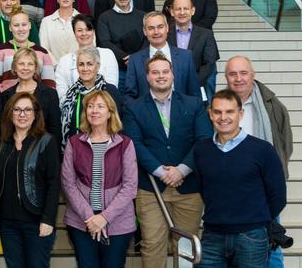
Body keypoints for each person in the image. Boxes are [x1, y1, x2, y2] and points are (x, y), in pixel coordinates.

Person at [123, 54, 213, 268]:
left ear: (173, 74)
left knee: (185, 248)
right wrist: (161, 172)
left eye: (165, 71)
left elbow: (203, 140)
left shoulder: (194, 104)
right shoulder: (134, 107)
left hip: (188, 188)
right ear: (147, 76)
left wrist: (181, 170)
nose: (160, 76)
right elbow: (134, 143)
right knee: (152, 244)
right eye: (155, 72)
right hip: (151, 188)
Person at [194, 89, 286, 268]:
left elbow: (278, 197)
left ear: (240, 113)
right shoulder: (200, 150)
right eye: (218, 112)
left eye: (230, 111)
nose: (223, 117)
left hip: (251, 237)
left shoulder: (263, 150)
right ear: (210, 114)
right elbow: (204, 189)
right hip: (213, 236)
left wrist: (254, 221)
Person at [225, 55, 293, 267]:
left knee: (272, 242)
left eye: (243, 73)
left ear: (253, 75)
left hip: (265, 186)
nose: (238, 79)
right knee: (235, 245)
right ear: (226, 77)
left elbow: (285, 143)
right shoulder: (219, 106)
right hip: (229, 188)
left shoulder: (273, 106)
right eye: (232, 74)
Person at [62, 90, 137, 268]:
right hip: (82, 222)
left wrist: (104, 217)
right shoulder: (74, 142)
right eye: (90, 106)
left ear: (110, 112)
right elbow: (68, 183)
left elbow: (130, 186)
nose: (94, 110)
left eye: (100, 106)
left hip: (118, 223)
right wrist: (91, 218)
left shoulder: (125, 144)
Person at [0, 92, 60, 268]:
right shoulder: (2, 142)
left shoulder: (46, 142)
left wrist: (48, 219)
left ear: (35, 114)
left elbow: (54, 183)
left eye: (27, 110)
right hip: (8, 223)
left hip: (36, 221)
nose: (22, 114)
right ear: (10, 113)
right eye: (17, 109)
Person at [124, 11, 199, 101]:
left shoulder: (186, 57)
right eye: (151, 28)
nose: (156, 32)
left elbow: (194, 93)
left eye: (160, 27)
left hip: (182, 112)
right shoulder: (135, 60)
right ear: (145, 31)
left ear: (167, 28)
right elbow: (130, 96)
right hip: (146, 113)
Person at [60, 47, 124, 146]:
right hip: (76, 150)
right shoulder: (71, 93)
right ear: (77, 67)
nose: (85, 69)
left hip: (105, 148)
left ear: (97, 66)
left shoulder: (110, 91)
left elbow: (118, 123)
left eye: (89, 64)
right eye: (81, 64)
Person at [0, 48, 62, 144]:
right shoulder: (6, 96)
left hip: (42, 150)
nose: (26, 68)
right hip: (14, 149)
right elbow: (4, 128)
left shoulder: (50, 94)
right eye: (21, 64)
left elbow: (55, 129)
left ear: (35, 68)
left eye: (30, 64)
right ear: (15, 68)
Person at [96, 0, 146, 93]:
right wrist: (128, 59)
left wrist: (136, 59)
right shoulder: (104, 18)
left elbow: (148, 40)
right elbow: (105, 42)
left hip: (141, 69)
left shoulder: (143, 16)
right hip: (117, 71)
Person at [55, 14, 118, 103]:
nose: (84, 34)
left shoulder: (107, 54)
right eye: (80, 30)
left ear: (94, 31)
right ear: (74, 33)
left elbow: (111, 87)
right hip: (73, 109)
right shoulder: (64, 61)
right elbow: (62, 94)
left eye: (88, 29)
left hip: (103, 107)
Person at [0, 9, 55, 92]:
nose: (21, 29)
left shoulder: (42, 52)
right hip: (7, 101)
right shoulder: (0, 51)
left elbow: (50, 84)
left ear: (30, 25)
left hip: (36, 101)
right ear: (10, 27)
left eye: (24, 24)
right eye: (16, 25)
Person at [167, 0, 219, 99]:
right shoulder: (165, 34)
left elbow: (209, 63)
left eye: (186, 8)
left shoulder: (206, 34)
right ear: (172, 12)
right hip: (170, 88)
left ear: (193, 11)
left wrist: (192, 83)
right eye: (178, 9)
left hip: (199, 86)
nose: (182, 12)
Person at [39, 0, 80, 64]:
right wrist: (58, 66)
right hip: (53, 70)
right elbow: (44, 48)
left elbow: (90, 47)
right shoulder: (46, 22)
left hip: (79, 70)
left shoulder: (84, 20)